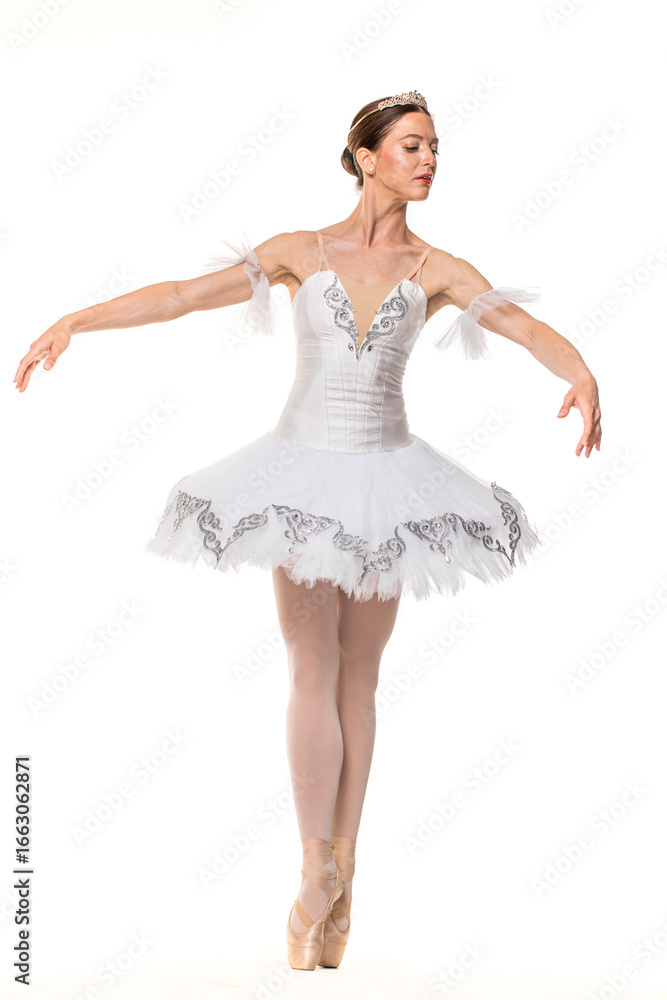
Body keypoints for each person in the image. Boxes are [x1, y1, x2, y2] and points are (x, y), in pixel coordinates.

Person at [13, 90, 602, 972]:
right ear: (364, 156)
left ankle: (344, 876)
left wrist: (583, 369)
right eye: (411, 146)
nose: (429, 160)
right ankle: (313, 870)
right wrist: (77, 321)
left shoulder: (437, 267)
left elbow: (520, 326)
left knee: (358, 681)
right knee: (312, 668)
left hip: (388, 482)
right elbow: (181, 294)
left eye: (434, 148)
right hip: (297, 478)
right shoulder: (301, 252)